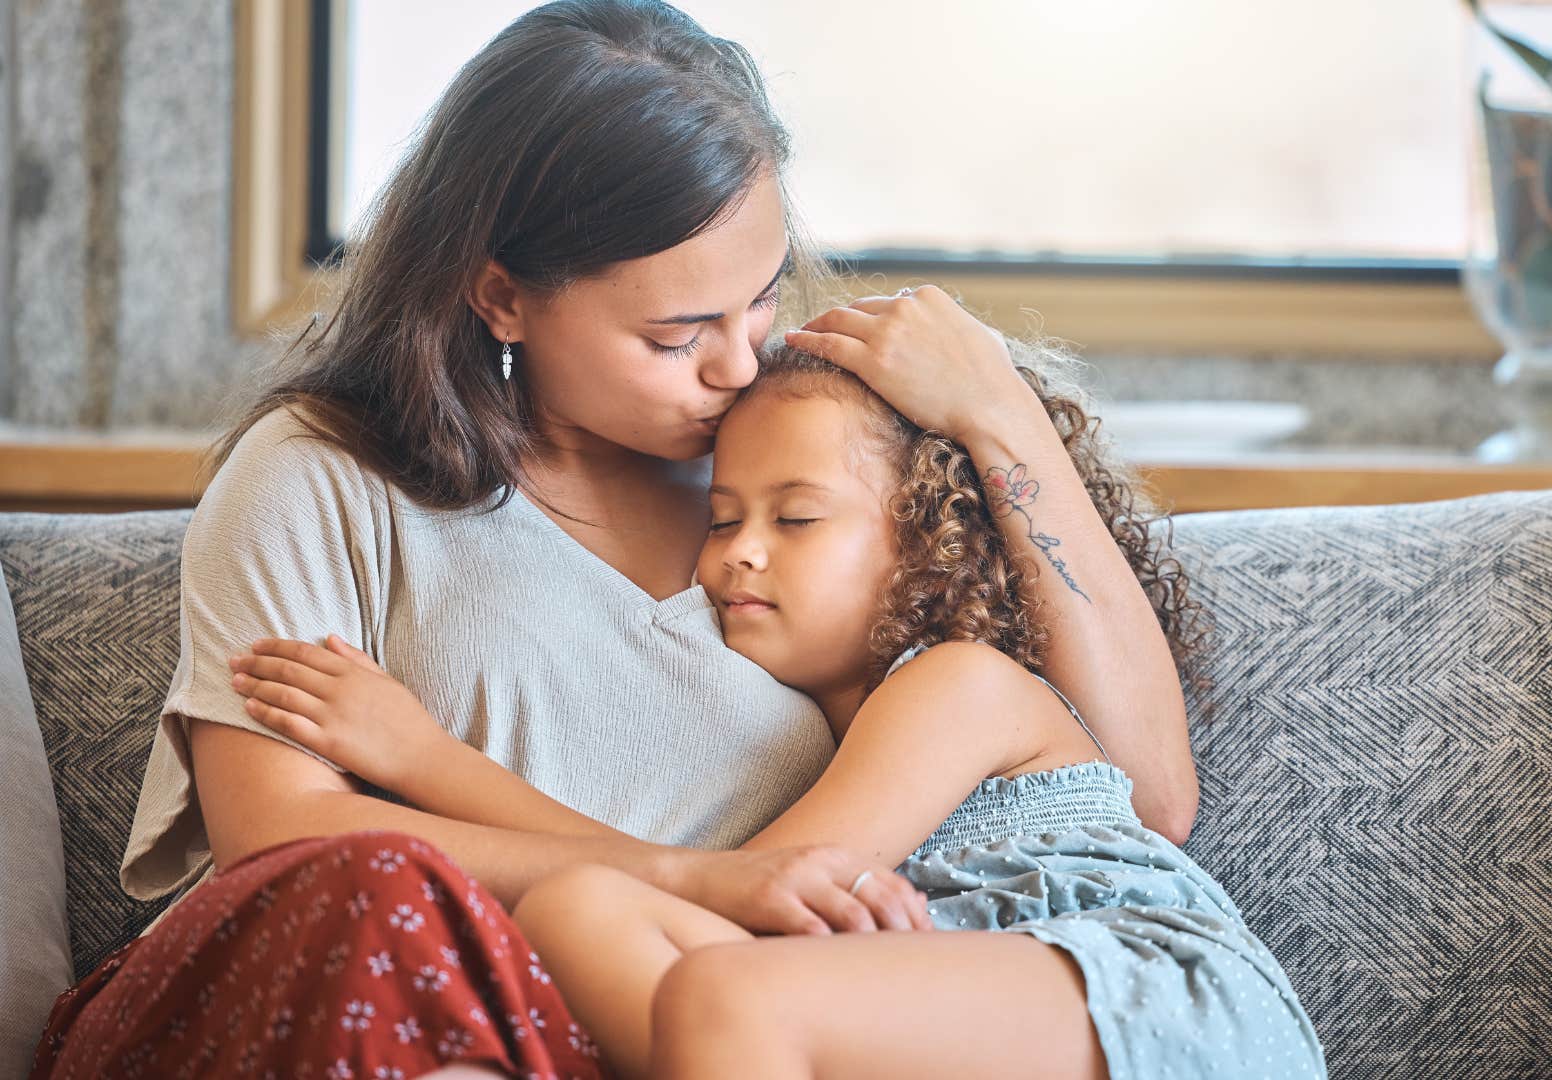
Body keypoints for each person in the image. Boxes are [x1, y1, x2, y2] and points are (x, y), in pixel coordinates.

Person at [29, 2, 1195, 1077]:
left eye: (761, 298)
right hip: (395, 987)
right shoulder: (320, 477)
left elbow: (1139, 797)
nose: (740, 362)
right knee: (383, 897)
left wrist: (1003, 421)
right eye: (678, 332)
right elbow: (279, 839)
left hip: (707, 1019)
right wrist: (700, 879)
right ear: (501, 297)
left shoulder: (806, 470)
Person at [230, 342, 1329, 1079]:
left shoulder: (956, 683)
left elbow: (759, 903)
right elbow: (689, 888)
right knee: (577, 916)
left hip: (1145, 995)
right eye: (722, 517)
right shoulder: (825, 734)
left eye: (798, 519)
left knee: (727, 996)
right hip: (940, 995)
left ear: (928, 536)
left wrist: (425, 759)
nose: (739, 551)